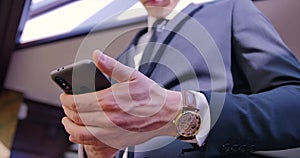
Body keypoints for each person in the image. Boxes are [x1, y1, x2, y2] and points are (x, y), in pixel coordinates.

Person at [60, 0, 300, 157]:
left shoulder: (230, 10)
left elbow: (295, 105)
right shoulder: (124, 56)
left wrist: (182, 112)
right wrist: (95, 149)